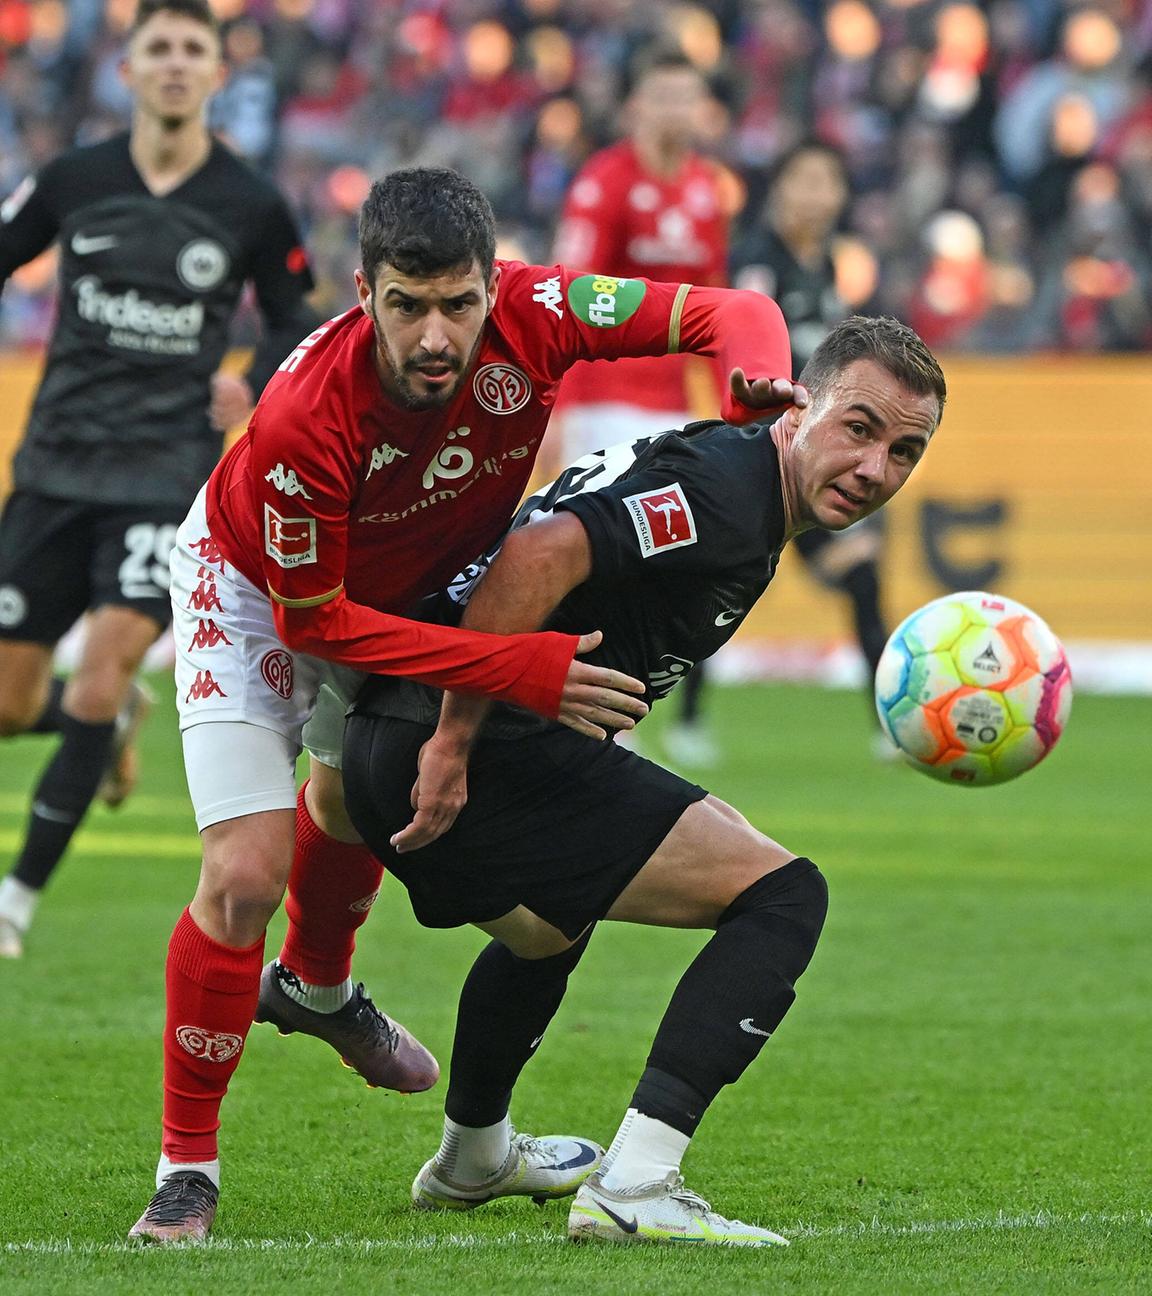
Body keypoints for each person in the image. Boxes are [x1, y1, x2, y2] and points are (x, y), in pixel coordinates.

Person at [127, 163, 806, 1243]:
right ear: (365, 294)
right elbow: (319, 628)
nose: (435, 336)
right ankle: (187, 1171)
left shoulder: (541, 311)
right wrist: (510, 667)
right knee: (245, 873)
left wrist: (755, 383)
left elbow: (735, 311)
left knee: (359, 802)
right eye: (407, 307)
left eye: (457, 303)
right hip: (259, 589)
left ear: (495, 284)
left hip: (418, 586)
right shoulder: (309, 414)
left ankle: (318, 989)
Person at [339, 315, 946, 1247]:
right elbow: (537, 555)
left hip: (399, 734)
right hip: (465, 742)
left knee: (548, 931)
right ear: (800, 408)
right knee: (784, 897)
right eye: (858, 428)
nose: (876, 468)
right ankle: (639, 1183)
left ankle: (473, 1156)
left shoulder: (733, 472)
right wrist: (456, 740)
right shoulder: (731, 495)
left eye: (904, 451)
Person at [0, 0, 317, 961]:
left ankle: (15, 899)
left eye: (193, 50)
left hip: (164, 473)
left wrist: (251, 387)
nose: (176, 65)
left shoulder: (250, 202)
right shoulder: (73, 181)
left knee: (99, 673)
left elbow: (292, 316)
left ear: (218, 75)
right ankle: (115, 722)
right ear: (126, 71)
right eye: (159, 50)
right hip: (55, 464)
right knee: (13, 703)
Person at [551, 50, 737, 770]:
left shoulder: (706, 191)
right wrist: (557, 407)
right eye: (662, 96)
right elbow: (566, 298)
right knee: (600, 562)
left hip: (669, 409)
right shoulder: (604, 183)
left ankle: (622, 713)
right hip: (602, 397)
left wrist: (729, 405)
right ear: (634, 107)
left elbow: (715, 305)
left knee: (673, 567)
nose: (675, 111)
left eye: (688, 97)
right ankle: (593, 717)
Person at [732, 141, 895, 754]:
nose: (817, 194)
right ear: (778, 189)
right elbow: (744, 358)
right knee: (719, 580)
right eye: (804, 179)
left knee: (865, 577)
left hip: (821, 456)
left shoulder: (829, 265)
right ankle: (686, 722)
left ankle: (888, 723)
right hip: (764, 452)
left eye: (828, 181)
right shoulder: (757, 262)